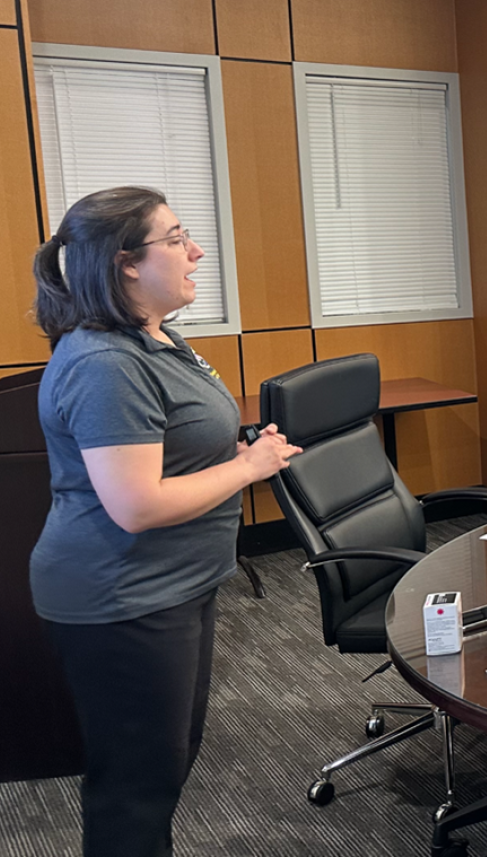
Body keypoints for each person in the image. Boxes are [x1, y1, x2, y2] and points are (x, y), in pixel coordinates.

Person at [29, 187, 301, 857]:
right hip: (123, 599)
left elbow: (164, 451)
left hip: (175, 586)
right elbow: (136, 505)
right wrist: (251, 466)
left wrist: (230, 455)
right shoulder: (105, 363)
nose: (196, 251)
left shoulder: (153, 336)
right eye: (178, 238)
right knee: (135, 785)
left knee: (166, 761)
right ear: (126, 262)